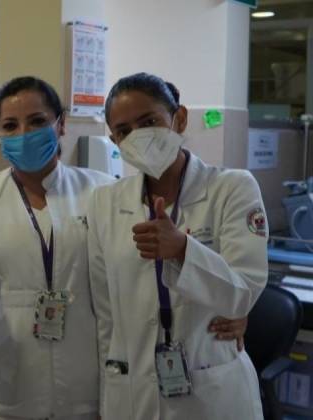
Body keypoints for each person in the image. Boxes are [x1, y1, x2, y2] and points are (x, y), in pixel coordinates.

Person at [88, 73, 265, 419]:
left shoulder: (232, 188)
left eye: (149, 122)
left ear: (179, 118)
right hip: (132, 391)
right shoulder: (105, 202)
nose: (137, 137)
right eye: (124, 131)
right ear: (114, 140)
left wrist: (184, 249)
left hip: (210, 389)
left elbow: (244, 292)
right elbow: (105, 310)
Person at [0, 76, 113, 420]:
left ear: (61, 124)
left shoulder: (101, 192)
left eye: (37, 121)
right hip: (7, 377)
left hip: (84, 377)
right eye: (10, 125)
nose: (24, 133)